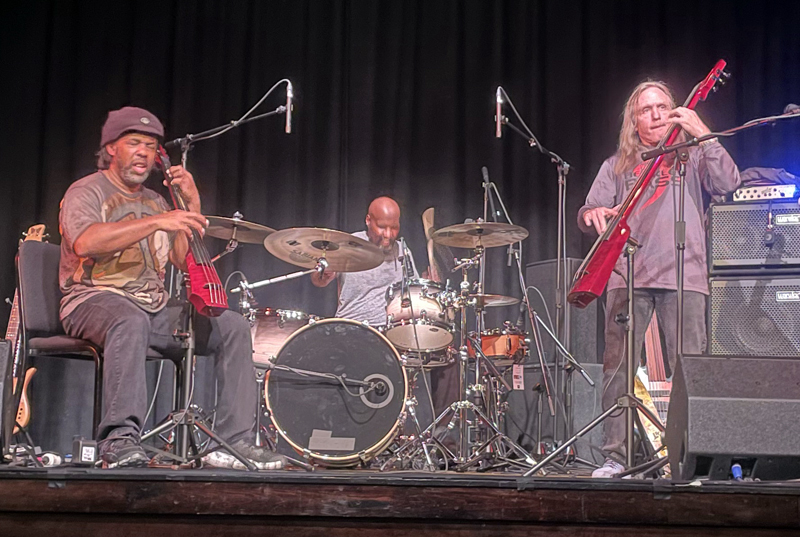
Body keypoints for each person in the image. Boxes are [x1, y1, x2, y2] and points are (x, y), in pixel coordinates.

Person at [59, 106, 285, 470]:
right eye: (134, 143)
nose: (144, 153)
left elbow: (184, 258)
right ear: (111, 148)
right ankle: (119, 440)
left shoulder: (156, 200)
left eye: (150, 146)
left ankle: (235, 441)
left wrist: (192, 204)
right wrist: (158, 220)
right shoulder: (87, 191)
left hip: (152, 307)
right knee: (127, 318)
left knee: (232, 326)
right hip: (92, 299)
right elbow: (86, 242)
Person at [577, 81, 741, 478]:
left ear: (676, 111)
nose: (655, 114)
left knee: (690, 368)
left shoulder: (692, 155)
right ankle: (617, 456)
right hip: (626, 275)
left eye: (663, 106)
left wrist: (703, 134)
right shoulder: (617, 164)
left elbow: (729, 183)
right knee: (618, 369)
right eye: (646, 108)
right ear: (633, 120)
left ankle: (692, 455)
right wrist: (594, 216)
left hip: (685, 275)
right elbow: (588, 210)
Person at [311, 196, 418, 325]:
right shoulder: (349, 245)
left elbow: (414, 292)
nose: (388, 234)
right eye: (382, 227)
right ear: (368, 220)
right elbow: (318, 280)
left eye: (394, 227)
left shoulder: (402, 250)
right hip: (351, 325)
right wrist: (324, 275)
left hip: (390, 331)